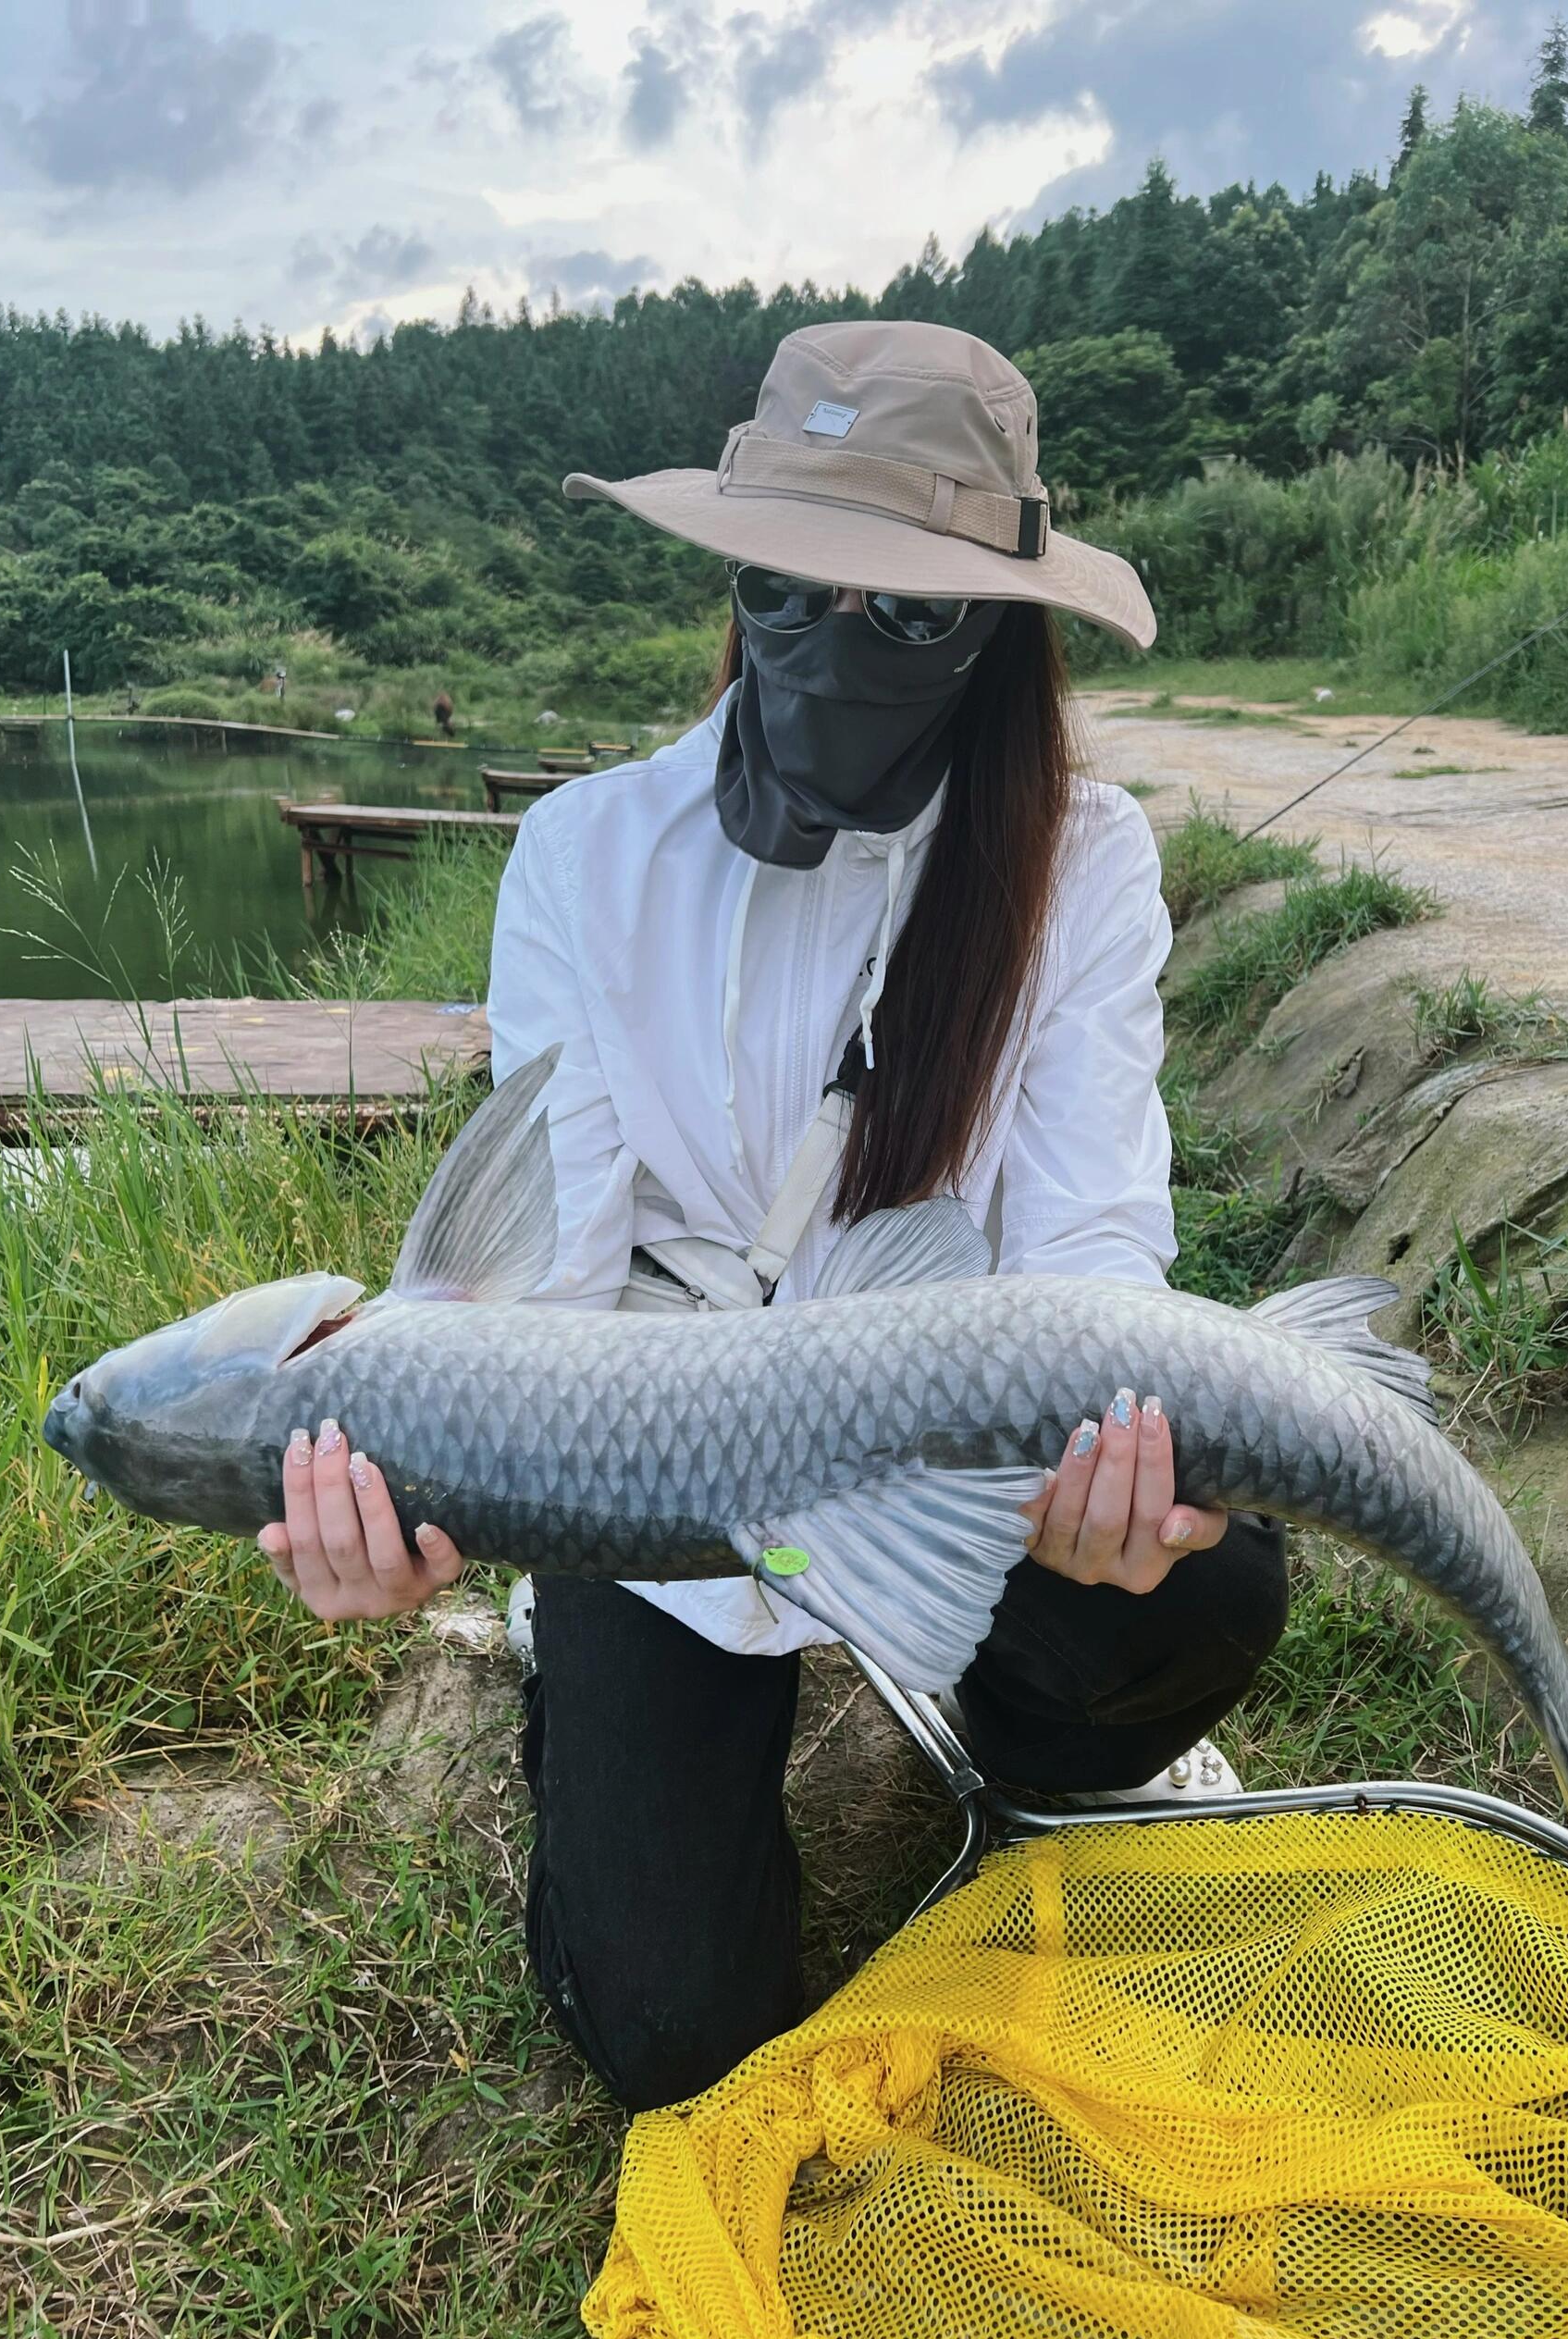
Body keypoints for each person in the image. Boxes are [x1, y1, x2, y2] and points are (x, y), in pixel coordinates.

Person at [257, 321, 1290, 2114]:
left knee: (1209, 1585)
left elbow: (1087, 1248)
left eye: (905, 612)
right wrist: (449, 1480)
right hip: (658, 1466)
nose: (830, 643)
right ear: (731, 586)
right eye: (785, 591)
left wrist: (1107, 1478)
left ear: (998, 629)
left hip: (932, 1449)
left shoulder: (1082, 858)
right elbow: (547, 1278)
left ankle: (1022, 1744)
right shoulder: (585, 854)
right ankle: (576, 1654)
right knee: (669, 2027)